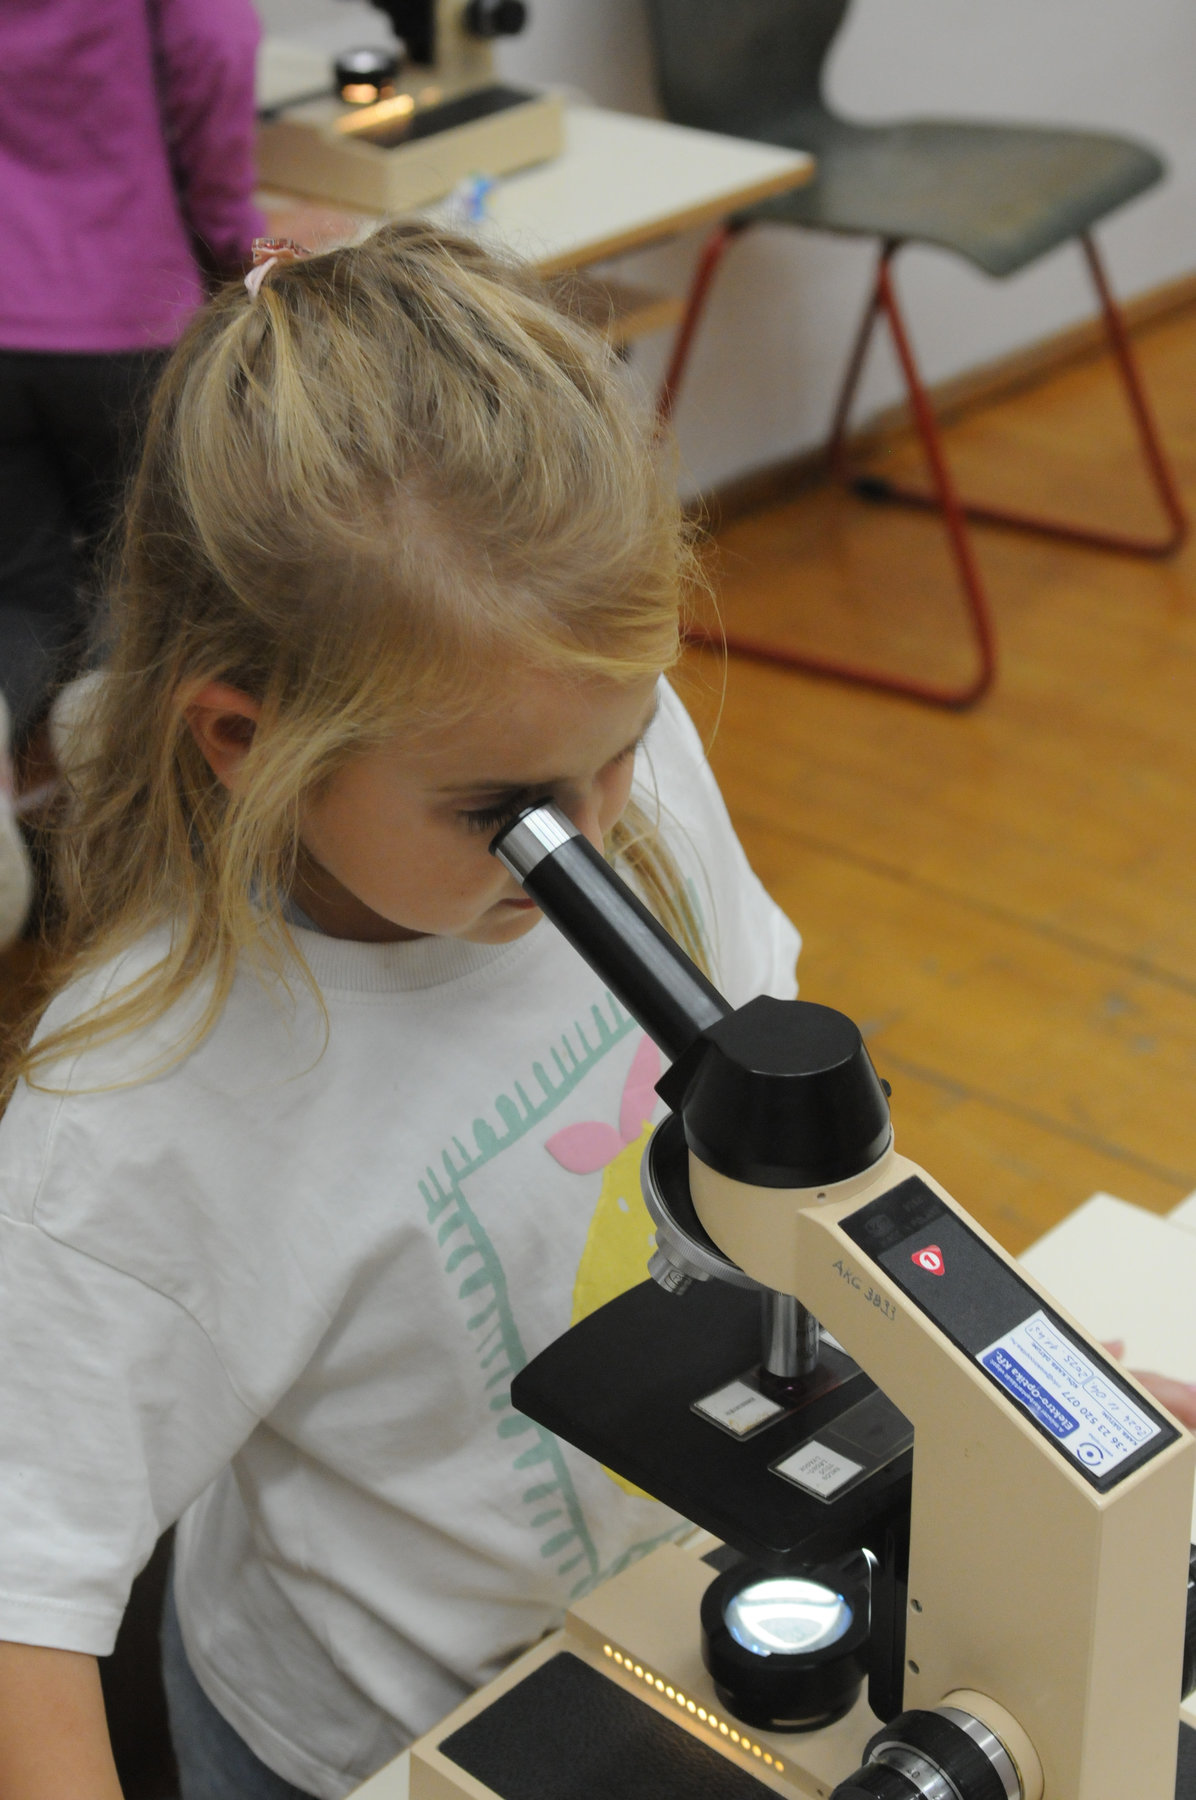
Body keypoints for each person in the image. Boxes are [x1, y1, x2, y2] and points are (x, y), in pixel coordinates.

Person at [0, 223, 803, 1799]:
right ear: (247, 740)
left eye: (626, 746)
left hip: (667, 1619)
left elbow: (789, 1143)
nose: (594, 839)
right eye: (510, 814)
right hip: (373, 1747)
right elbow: (26, 1601)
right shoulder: (136, 1117)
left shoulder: (594, 759)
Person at [0, 0, 265, 940]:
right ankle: (127, 864)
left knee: (19, 597)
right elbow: (217, 50)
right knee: (141, 583)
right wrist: (248, 248)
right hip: (126, 308)